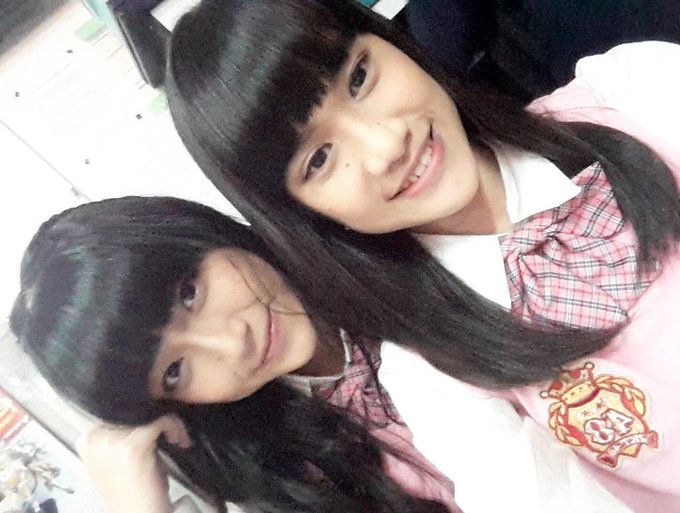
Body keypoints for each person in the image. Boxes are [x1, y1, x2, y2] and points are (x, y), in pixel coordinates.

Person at [163, 0, 680, 510]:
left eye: (359, 77)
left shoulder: (627, 93)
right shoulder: (433, 379)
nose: (388, 146)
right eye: (318, 159)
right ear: (300, 214)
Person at [9, 197, 629, 513]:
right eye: (175, 371)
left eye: (189, 295)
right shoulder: (294, 475)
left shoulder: (387, 238)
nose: (231, 344)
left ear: (194, 234)